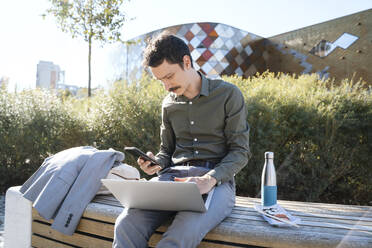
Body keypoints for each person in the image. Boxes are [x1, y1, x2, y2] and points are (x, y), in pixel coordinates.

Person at [113, 33, 251, 248]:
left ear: (187, 62)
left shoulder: (228, 94)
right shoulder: (168, 103)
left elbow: (240, 152)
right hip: (171, 179)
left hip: (213, 182)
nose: (166, 86)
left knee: (179, 235)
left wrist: (209, 179)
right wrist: (155, 163)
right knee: (125, 224)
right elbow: (166, 152)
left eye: (169, 77)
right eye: (161, 81)